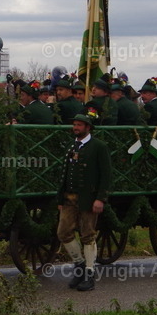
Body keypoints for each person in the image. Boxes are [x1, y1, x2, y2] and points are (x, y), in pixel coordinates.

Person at [57, 110, 112, 292]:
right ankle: (79, 265)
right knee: (63, 232)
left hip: (88, 198)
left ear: (88, 128)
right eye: (74, 125)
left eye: (79, 125)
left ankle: (89, 273)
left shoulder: (99, 146)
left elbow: (106, 175)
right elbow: (64, 173)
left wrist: (100, 199)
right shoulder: (71, 146)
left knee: (88, 234)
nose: (75, 128)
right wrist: (60, 197)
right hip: (69, 198)